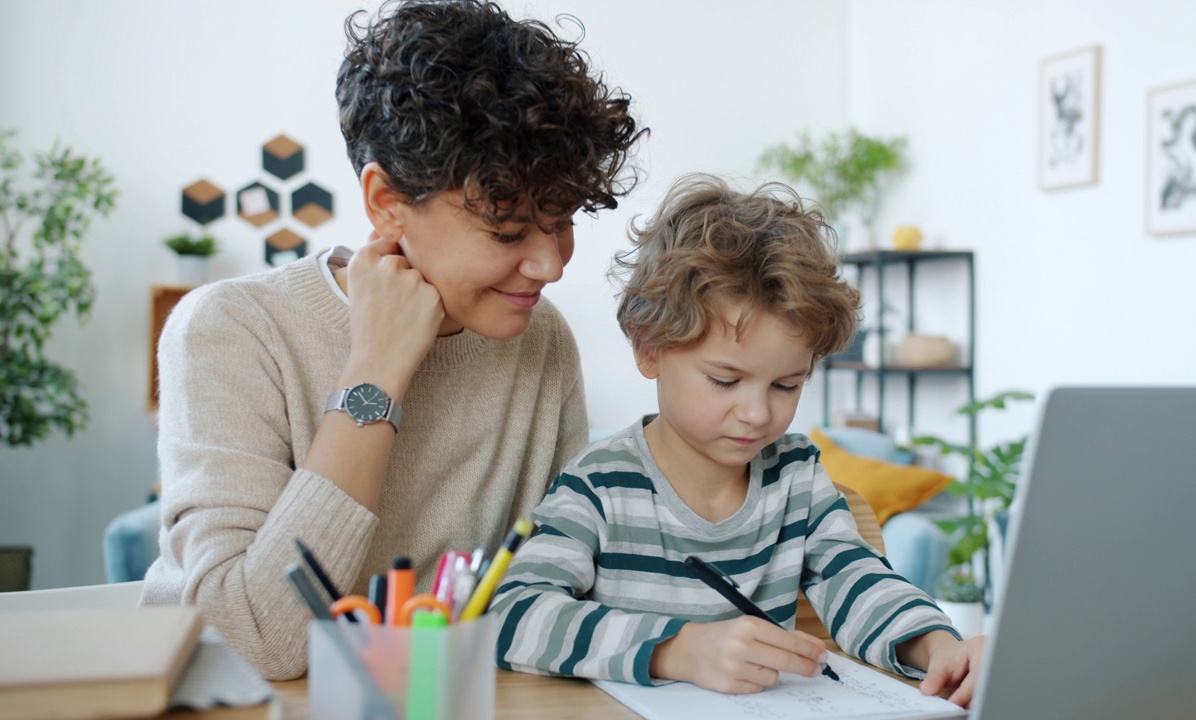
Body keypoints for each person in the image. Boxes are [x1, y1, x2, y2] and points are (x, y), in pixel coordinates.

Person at [140, 0, 645, 680]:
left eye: (563, 222)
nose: (551, 264)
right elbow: (258, 642)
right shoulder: (230, 331)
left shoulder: (538, 337)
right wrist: (375, 373)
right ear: (385, 203)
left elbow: (550, 592)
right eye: (507, 231)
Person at [490, 174, 986, 706]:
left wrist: (938, 647)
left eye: (786, 385)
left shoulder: (795, 477)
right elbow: (511, 614)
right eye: (725, 381)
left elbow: (856, 580)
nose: (756, 413)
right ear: (650, 347)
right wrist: (677, 650)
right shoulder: (600, 483)